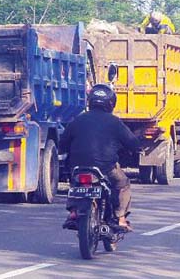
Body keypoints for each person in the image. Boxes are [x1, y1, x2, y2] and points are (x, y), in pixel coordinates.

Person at [60, 84, 140, 231]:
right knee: (123, 183)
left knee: (75, 182)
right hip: (106, 168)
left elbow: (62, 144)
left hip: (78, 167)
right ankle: (120, 218)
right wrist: (137, 149)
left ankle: (73, 212)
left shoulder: (77, 121)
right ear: (111, 103)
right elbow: (133, 143)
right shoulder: (115, 122)